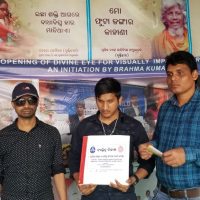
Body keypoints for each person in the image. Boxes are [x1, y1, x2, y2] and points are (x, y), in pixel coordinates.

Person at [69, 77, 155, 200]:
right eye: (100, 101)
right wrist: (80, 181)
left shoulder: (133, 125)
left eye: (110, 101)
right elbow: (74, 159)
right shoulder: (85, 126)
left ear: (119, 100)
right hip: (92, 195)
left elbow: (148, 161)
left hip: (124, 194)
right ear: (96, 100)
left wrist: (134, 179)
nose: (105, 107)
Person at [139, 51, 200, 199]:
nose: (173, 78)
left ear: (194, 75)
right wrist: (150, 147)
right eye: (170, 74)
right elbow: (159, 140)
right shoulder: (166, 107)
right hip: (162, 192)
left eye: (180, 73)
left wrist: (187, 154)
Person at [0, 82, 67, 200]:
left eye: (31, 100)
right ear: (13, 104)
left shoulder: (51, 133)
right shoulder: (3, 136)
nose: (26, 105)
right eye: (20, 101)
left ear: (37, 102)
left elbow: (58, 170)